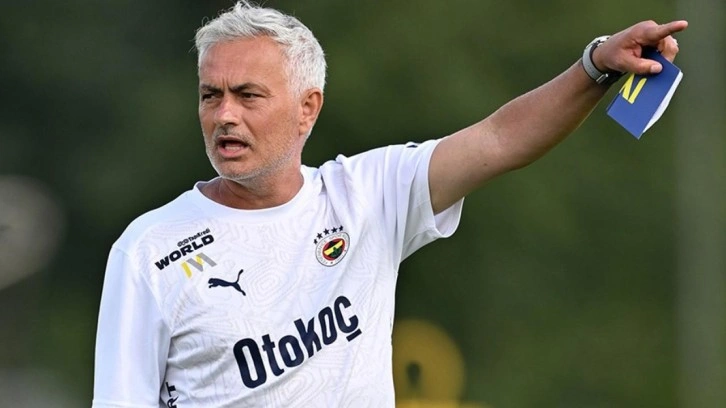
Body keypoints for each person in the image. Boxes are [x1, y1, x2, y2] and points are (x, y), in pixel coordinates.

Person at [92, 1, 687, 407]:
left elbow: (501, 139)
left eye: (248, 95)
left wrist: (594, 66)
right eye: (210, 95)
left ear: (307, 108)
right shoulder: (150, 249)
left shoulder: (367, 193)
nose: (225, 114)